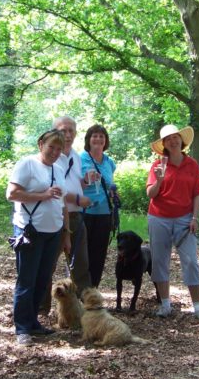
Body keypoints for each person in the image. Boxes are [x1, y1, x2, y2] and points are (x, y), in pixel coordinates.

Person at [6, 129, 71, 345]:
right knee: (27, 280)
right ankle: (22, 327)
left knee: (42, 280)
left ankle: (33, 321)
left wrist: (66, 232)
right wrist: (42, 196)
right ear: (41, 144)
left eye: (58, 148)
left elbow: (62, 204)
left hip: (53, 233)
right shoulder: (27, 164)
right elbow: (12, 194)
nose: (54, 152)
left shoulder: (59, 168)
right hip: (30, 231)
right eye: (51, 146)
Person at [146, 124, 199, 317]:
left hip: (185, 219)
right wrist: (160, 180)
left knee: (190, 261)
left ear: (182, 140)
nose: (173, 141)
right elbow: (150, 194)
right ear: (164, 144)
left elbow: (197, 193)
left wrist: (195, 217)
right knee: (160, 260)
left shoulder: (192, 164)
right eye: (168, 138)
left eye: (175, 137)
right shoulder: (157, 165)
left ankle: (197, 306)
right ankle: (165, 304)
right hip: (159, 217)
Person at [39, 116, 92, 313]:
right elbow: (53, 188)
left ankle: (86, 308)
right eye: (63, 130)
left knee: (80, 265)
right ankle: (41, 308)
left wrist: (84, 183)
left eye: (71, 130)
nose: (67, 135)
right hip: (55, 217)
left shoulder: (76, 157)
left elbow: (74, 183)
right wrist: (77, 199)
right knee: (47, 265)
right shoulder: (52, 155)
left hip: (76, 217)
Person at [80, 124, 117, 287]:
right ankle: (79, 290)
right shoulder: (80, 159)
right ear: (88, 139)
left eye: (102, 136)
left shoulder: (110, 163)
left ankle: (92, 290)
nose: (98, 139)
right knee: (81, 255)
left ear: (106, 141)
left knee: (99, 254)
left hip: (104, 214)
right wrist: (86, 180)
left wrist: (113, 194)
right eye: (94, 135)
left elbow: (109, 186)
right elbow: (72, 186)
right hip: (84, 213)